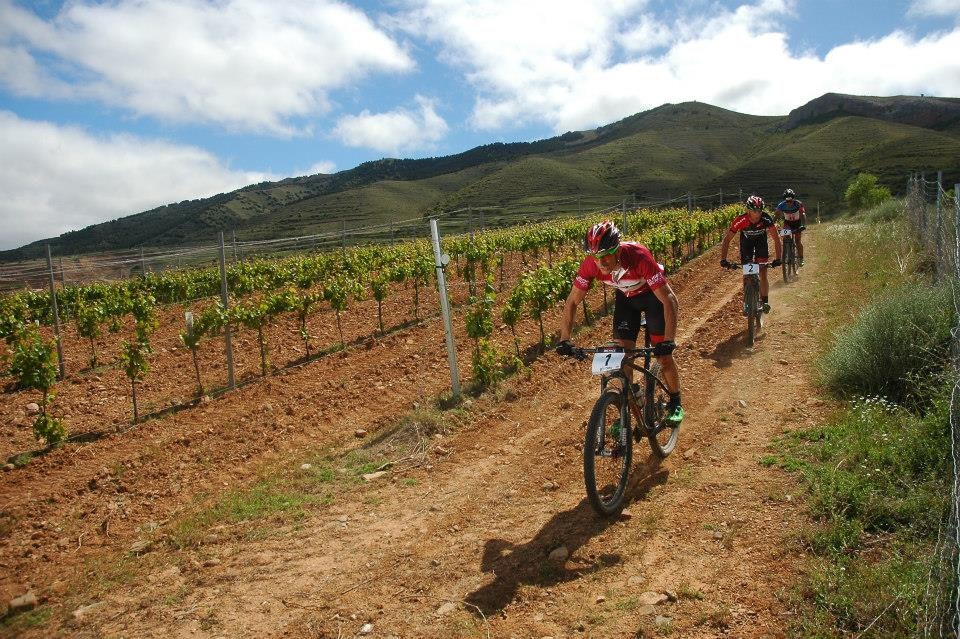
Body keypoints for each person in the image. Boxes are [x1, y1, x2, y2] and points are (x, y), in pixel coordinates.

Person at [555, 221, 683, 424]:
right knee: (623, 357)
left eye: (606, 254)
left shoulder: (638, 256)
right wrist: (565, 339)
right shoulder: (591, 264)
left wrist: (669, 340)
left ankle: (676, 402)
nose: (601, 262)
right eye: (596, 256)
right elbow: (572, 302)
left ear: (617, 250)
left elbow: (668, 298)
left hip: (652, 298)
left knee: (664, 357)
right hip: (626, 300)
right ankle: (627, 406)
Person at [719, 195, 782, 313]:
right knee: (747, 273)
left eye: (760, 210)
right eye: (754, 210)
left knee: (763, 273)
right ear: (748, 210)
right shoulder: (740, 220)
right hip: (746, 244)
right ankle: (746, 302)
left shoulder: (766, 219)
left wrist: (779, 258)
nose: (757, 213)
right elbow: (727, 239)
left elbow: (776, 239)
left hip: (761, 243)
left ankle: (765, 302)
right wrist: (723, 259)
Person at [775, 188, 807, 266]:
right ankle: (787, 252)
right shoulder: (781, 205)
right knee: (785, 237)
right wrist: (771, 224)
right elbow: (776, 216)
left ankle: (801, 258)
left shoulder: (798, 204)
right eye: (787, 201)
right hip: (788, 224)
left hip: (797, 223)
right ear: (784, 200)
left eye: (790, 200)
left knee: (798, 241)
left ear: (793, 199)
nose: (789, 202)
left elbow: (803, 214)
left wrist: (804, 225)